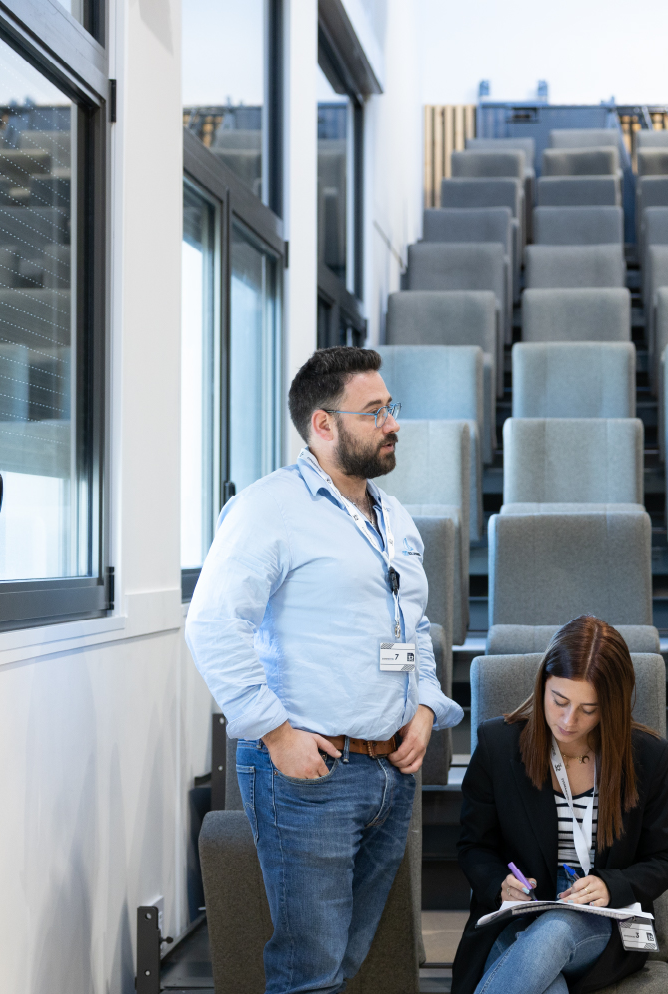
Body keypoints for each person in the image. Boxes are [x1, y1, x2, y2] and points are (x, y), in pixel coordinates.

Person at [186, 346, 463, 994]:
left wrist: (423, 705)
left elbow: (406, 631)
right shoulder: (268, 509)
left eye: (390, 407)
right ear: (322, 424)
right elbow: (212, 624)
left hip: (390, 772)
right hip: (311, 774)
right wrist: (276, 734)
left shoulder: (391, 518)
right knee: (307, 969)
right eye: (374, 412)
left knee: (341, 961)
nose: (393, 423)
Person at [453, 616, 668, 994]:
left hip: (604, 922)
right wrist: (498, 883)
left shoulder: (648, 757)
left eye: (588, 709)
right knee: (550, 986)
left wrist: (612, 884)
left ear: (612, 705)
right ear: (543, 683)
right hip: (520, 915)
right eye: (559, 701)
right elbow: (473, 846)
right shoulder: (498, 745)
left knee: (557, 930)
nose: (568, 720)